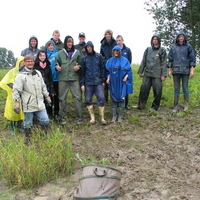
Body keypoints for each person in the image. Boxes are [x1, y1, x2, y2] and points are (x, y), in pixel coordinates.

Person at [12, 55, 51, 143]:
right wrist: (16, 102)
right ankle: (28, 140)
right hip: (28, 104)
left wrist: (47, 96)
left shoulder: (38, 73)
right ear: (24, 62)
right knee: (28, 123)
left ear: (34, 62)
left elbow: (43, 86)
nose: (30, 63)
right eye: (28, 61)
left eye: (31, 61)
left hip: (40, 103)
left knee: (45, 120)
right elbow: (16, 90)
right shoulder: (20, 76)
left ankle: (43, 137)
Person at [133, 33, 167, 111]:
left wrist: (164, 74)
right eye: (153, 39)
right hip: (147, 73)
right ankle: (141, 105)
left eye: (156, 39)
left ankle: (155, 107)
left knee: (157, 91)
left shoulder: (162, 50)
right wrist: (140, 71)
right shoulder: (148, 50)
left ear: (159, 40)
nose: (155, 41)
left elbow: (164, 63)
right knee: (143, 89)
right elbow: (144, 60)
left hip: (157, 74)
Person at [56, 35, 82, 125]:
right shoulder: (60, 53)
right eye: (68, 42)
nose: (69, 44)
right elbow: (57, 63)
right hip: (63, 78)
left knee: (77, 98)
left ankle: (80, 117)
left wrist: (78, 67)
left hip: (74, 78)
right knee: (62, 99)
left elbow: (81, 63)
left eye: (71, 42)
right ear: (65, 43)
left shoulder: (77, 53)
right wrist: (57, 67)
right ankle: (62, 117)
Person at [168, 30, 196, 112]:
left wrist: (192, 70)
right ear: (177, 38)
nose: (181, 38)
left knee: (185, 88)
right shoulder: (173, 47)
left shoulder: (188, 47)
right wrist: (170, 70)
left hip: (185, 71)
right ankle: (175, 106)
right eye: (179, 37)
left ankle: (186, 105)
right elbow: (170, 60)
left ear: (184, 38)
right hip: (176, 71)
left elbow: (192, 59)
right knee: (176, 89)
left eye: (182, 36)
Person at [80, 41, 107, 125]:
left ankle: (102, 118)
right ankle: (92, 118)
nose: (89, 48)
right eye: (87, 47)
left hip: (98, 82)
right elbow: (82, 72)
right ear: (86, 48)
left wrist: (103, 80)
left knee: (101, 98)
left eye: (90, 46)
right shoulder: (84, 58)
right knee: (88, 99)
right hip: (88, 83)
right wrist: (82, 84)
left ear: (92, 47)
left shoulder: (99, 56)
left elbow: (102, 69)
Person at [106, 45, 133, 122]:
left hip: (122, 83)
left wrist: (127, 76)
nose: (115, 52)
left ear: (120, 52)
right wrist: (108, 77)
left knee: (122, 97)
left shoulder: (125, 60)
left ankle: (120, 116)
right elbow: (107, 72)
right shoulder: (109, 61)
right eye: (114, 51)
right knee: (113, 98)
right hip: (113, 83)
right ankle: (114, 116)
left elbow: (129, 71)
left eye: (117, 51)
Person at [0, 57, 25, 133]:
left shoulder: (25, 71)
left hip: (22, 94)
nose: (23, 63)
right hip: (13, 95)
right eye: (21, 61)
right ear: (18, 63)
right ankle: (12, 127)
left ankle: (19, 126)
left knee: (21, 111)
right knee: (12, 111)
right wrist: (12, 84)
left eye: (24, 61)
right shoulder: (12, 71)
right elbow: (4, 81)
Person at [34, 50, 55, 117]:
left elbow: (50, 77)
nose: (42, 57)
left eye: (44, 56)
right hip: (38, 87)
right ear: (38, 56)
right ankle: (40, 116)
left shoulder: (48, 65)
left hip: (47, 86)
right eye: (41, 56)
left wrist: (52, 89)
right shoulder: (35, 65)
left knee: (49, 101)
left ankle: (50, 115)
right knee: (40, 101)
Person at [116, 35, 132, 110]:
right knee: (118, 88)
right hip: (117, 72)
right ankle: (118, 103)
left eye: (120, 40)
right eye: (117, 41)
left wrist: (127, 73)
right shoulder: (115, 50)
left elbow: (129, 61)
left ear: (123, 40)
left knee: (125, 88)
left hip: (125, 72)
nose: (118, 42)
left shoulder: (127, 50)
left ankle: (125, 104)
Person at [100, 29, 117, 102]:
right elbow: (101, 54)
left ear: (111, 35)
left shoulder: (115, 43)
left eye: (109, 34)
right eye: (106, 34)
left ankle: (114, 98)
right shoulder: (102, 44)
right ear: (105, 35)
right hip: (105, 63)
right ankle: (105, 99)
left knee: (113, 80)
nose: (108, 35)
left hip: (113, 63)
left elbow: (116, 53)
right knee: (105, 80)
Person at [45, 40, 59, 117]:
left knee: (56, 96)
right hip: (48, 80)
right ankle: (49, 113)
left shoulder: (57, 54)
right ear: (47, 47)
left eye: (52, 45)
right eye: (49, 45)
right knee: (49, 96)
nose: (51, 47)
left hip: (56, 79)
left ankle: (56, 112)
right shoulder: (45, 55)